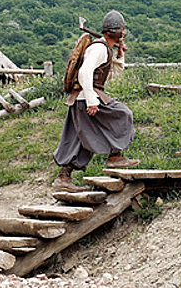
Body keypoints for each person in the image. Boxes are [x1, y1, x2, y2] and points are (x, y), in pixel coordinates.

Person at [52, 10, 139, 192]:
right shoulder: (99, 48)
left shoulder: (105, 49)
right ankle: (115, 156)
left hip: (83, 99)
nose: (124, 33)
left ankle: (63, 177)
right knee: (123, 114)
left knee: (81, 139)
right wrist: (93, 101)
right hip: (86, 99)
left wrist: (120, 54)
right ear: (118, 31)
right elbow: (85, 73)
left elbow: (111, 74)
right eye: (122, 30)